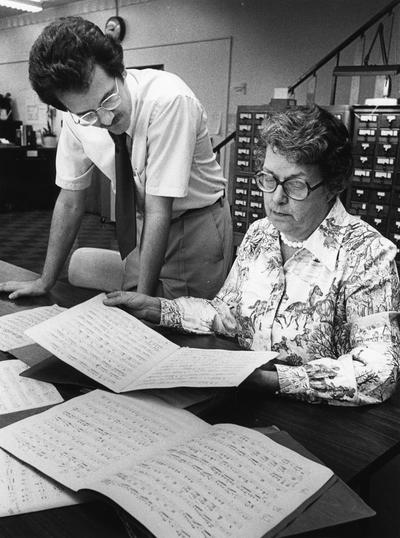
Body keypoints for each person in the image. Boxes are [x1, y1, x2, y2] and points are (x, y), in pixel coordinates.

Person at [104, 105, 400, 406]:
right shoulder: (261, 233)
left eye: (295, 185)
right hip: (247, 398)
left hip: (321, 420)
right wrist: (157, 308)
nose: (276, 198)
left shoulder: (368, 255)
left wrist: (271, 381)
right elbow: (226, 315)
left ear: (332, 186)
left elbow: (378, 371)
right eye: (268, 179)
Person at [0, 16, 232, 300]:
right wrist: (44, 281)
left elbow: (160, 207)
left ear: (120, 71)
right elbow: (70, 201)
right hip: (145, 223)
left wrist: (143, 304)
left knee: (179, 322)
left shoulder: (169, 101)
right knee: (135, 306)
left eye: (108, 98)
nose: (106, 118)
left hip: (196, 222)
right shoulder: (75, 119)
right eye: (87, 113)